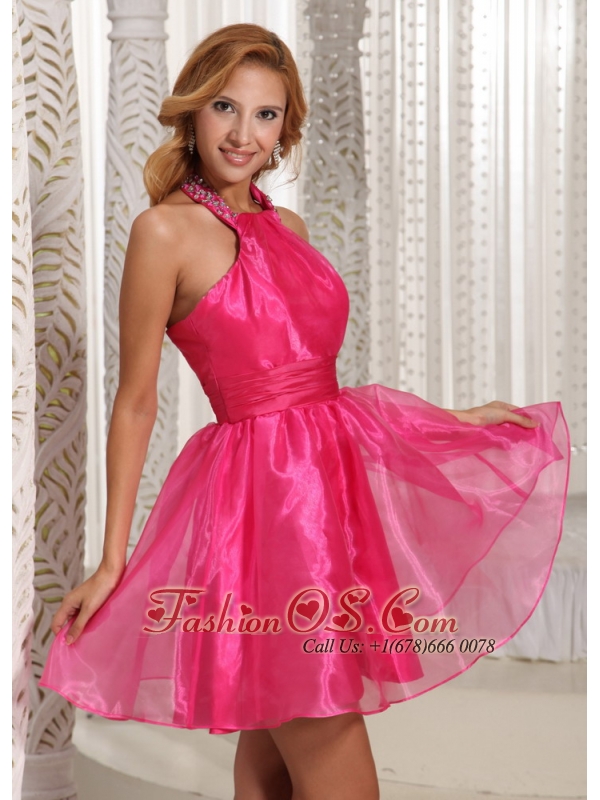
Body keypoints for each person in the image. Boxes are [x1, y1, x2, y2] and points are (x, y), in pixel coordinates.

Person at [39, 23, 570, 800]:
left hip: (329, 495)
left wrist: (455, 419)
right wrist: (114, 560)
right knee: (326, 737)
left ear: (285, 128)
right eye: (225, 106)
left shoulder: (289, 229)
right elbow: (136, 402)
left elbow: (318, 387)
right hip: (266, 509)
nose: (242, 133)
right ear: (193, 110)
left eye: (265, 114)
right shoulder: (164, 232)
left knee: (273, 752)